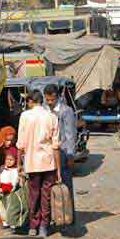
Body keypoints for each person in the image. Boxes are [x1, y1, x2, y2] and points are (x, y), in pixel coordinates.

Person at [17, 90, 61, 238]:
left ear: (30, 101)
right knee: (46, 195)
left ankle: (33, 226)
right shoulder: (52, 117)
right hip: (49, 162)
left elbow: (20, 143)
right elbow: (56, 146)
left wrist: (19, 165)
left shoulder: (25, 116)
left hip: (31, 162)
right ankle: (44, 226)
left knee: (34, 194)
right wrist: (59, 170)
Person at [44, 84, 77, 224]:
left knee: (66, 184)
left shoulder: (66, 111)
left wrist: (70, 155)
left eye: (51, 100)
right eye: (47, 100)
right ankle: (55, 216)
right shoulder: (45, 110)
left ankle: (69, 216)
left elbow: (70, 135)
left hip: (63, 154)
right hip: (49, 154)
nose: (49, 103)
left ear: (57, 97)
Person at [0, 147, 19, 233]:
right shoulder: (1, 168)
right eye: (7, 159)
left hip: (9, 193)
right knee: (2, 208)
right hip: (0, 192)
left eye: (11, 160)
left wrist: (3, 188)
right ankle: (5, 222)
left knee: (11, 208)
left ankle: (13, 224)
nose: (8, 161)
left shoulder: (15, 171)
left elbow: (13, 184)